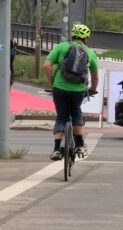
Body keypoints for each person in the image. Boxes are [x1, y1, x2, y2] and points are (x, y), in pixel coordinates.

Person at [43, 24, 99, 161]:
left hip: (59, 88)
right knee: (76, 112)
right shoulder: (90, 52)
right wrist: (92, 89)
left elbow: (46, 65)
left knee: (62, 117)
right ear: (85, 38)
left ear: (72, 35)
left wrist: (52, 83)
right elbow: (95, 76)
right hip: (78, 90)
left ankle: (56, 149)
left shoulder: (61, 47)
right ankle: (80, 145)